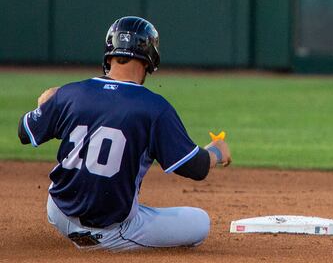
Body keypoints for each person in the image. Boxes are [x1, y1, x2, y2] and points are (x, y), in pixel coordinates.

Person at [17, 16, 232, 251]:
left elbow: (24, 132)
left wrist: (47, 103)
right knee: (200, 222)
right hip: (111, 232)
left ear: (109, 54)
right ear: (150, 59)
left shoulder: (69, 93)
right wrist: (217, 152)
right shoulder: (154, 107)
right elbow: (195, 167)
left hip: (58, 212)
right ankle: (100, 238)